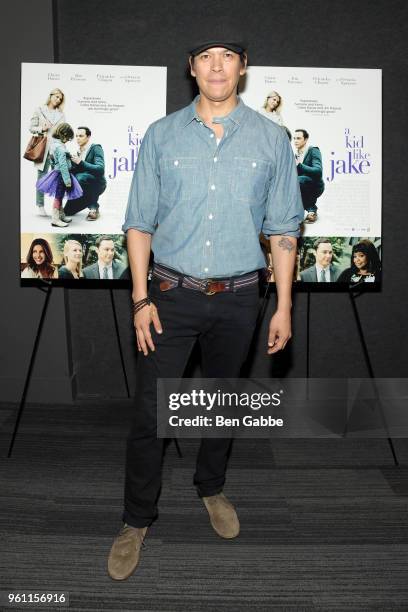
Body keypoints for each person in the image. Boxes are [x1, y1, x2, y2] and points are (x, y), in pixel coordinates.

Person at [107, 34, 303, 582]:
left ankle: (210, 486)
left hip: (242, 298)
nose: (217, 67)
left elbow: (285, 230)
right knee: (151, 413)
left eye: (228, 57)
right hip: (169, 295)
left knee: (221, 405)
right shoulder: (161, 135)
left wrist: (284, 307)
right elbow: (138, 222)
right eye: (205, 58)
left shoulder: (270, 139)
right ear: (191, 68)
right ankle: (136, 519)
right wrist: (141, 297)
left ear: (243, 68)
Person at [36, 123, 83, 228]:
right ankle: (55, 219)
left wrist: (54, 171)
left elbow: (52, 160)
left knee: (60, 196)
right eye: (68, 138)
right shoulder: (61, 148)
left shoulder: (53, 145)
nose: (68, 140)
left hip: (56, 173)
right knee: (58, 197)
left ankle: (61, 215)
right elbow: (63, 165)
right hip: (62, 175)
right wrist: (67, 180)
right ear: (64, 135)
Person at [29, 88, 66, 216]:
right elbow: (31, 128)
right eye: (56, 97)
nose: (58, 100)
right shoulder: (39, 110)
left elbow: (63, 132)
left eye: (60, 99)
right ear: (50, 96)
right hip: (43, 149)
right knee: (42, 177)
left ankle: (57, 208)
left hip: (56, 150)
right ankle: (40, 205)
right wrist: (42, 128)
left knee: (59, 179)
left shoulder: (61, 114)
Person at [64, 127, 107, 221]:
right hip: (82, 184)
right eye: (76, 136)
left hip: (97, 183)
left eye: (81, 136)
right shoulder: (78, 151)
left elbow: (100, 169)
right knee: (67, 211)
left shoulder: (96, 148)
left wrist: (81, 162)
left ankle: (93, 208)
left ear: (88, 137)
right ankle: (90, 203)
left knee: (80, 177)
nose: (78, 138)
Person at [294, 129, 325, 224]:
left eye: (298, 138)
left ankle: (312, 210)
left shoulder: (313, 150)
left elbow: (318, 171)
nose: (295, 141)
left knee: (299, 180)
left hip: (315, 186)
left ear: (306, 139)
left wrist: (299, 165)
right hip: (302, 184)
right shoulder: (296, 154)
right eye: (294, 138)